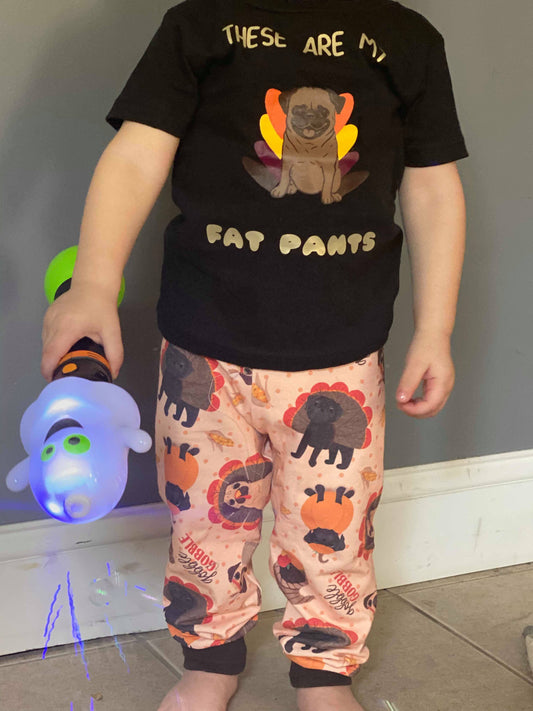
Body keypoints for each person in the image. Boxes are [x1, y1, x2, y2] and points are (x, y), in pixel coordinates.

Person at [40, 1, 468, 709]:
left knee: (332, 536)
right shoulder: (199, 25)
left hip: (341, 358)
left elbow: (431, 187)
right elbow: (138, 154)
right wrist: (90, 283)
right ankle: (209, 662)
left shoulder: (406, 40)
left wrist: (435, 328)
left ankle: (324, 676)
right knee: (202, 522)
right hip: (203, 353)